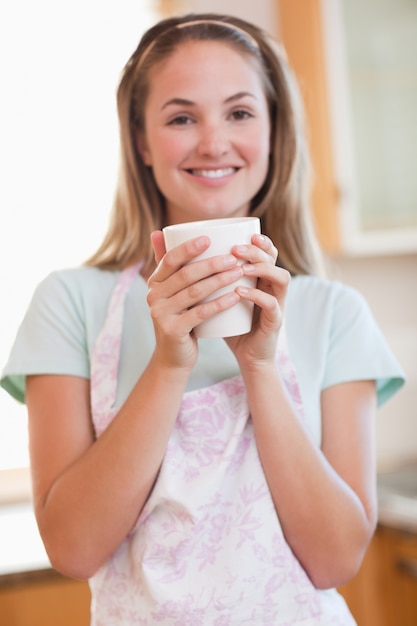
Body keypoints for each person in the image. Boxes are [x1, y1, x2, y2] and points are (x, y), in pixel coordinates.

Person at [1, 13, 405, 625]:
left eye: (240, 113)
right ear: (141, 142)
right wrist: (168, 363)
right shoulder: (70, 303)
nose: (214, 142)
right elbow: (74, 547)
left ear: (274, 131)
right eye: (181, 117)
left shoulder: (334, 314)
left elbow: (335, 560)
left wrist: (261, 368)